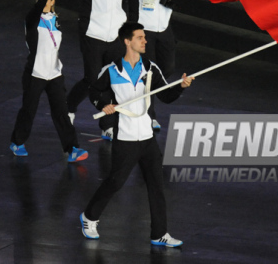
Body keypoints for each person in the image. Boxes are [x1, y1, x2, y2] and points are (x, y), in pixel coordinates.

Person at [79, 22, 194, 247]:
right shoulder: (111, 70)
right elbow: (93, 91)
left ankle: (159, 233)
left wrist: (181, 86)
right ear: (127, 41)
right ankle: (89, 217)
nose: (144, 41)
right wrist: (104, 104)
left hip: (148, 139)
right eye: (140, 37)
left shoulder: (150, 68)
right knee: (115, 182)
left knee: (156, 186)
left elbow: (166, 96)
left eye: (144, 37)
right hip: (125, 138)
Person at [121, 0, 211, 130]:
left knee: (166, 68)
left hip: (164, 28)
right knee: (149, 73)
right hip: (143, 30)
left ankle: (143, 95)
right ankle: (148, 115)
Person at [51, 0, 137, 140]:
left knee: (112, 81)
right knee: (92, 79)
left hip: (116, 37)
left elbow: (126, 1)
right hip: (93, 35)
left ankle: (107, 125)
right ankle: (69, 107)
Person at [9, 0, 88, 163]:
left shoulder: (55, 20)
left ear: (53, 2)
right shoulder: (32, 20)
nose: (44, 0)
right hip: (35, 73)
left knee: (61, 111)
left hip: (54, 73)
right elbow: (36, 11)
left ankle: (72, 148)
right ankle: (17, 142)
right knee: (29, 109)